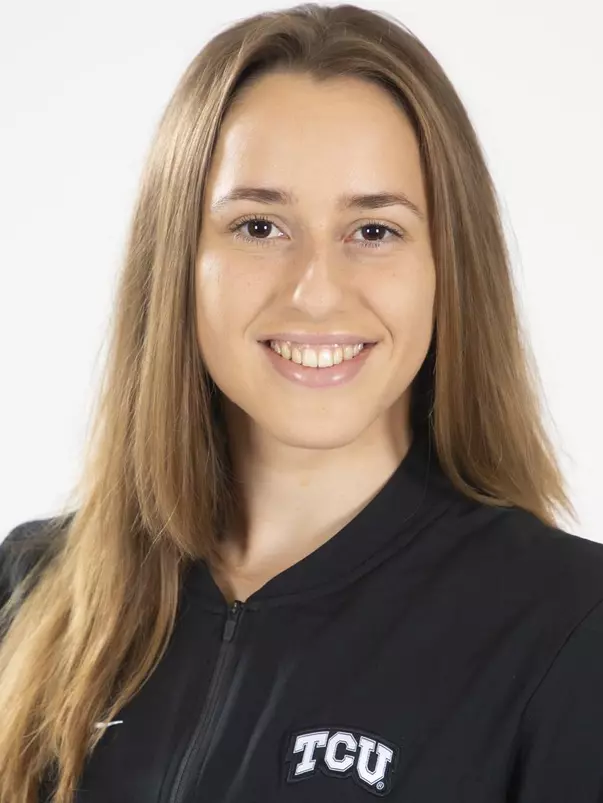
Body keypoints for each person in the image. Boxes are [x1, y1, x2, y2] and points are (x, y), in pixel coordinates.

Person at [1, 3, 602, 801]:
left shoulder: (567, 624)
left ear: (448, 268)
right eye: (258, 226)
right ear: (177, 260)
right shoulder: (33, 585)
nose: (315, 291)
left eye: (374, 231)